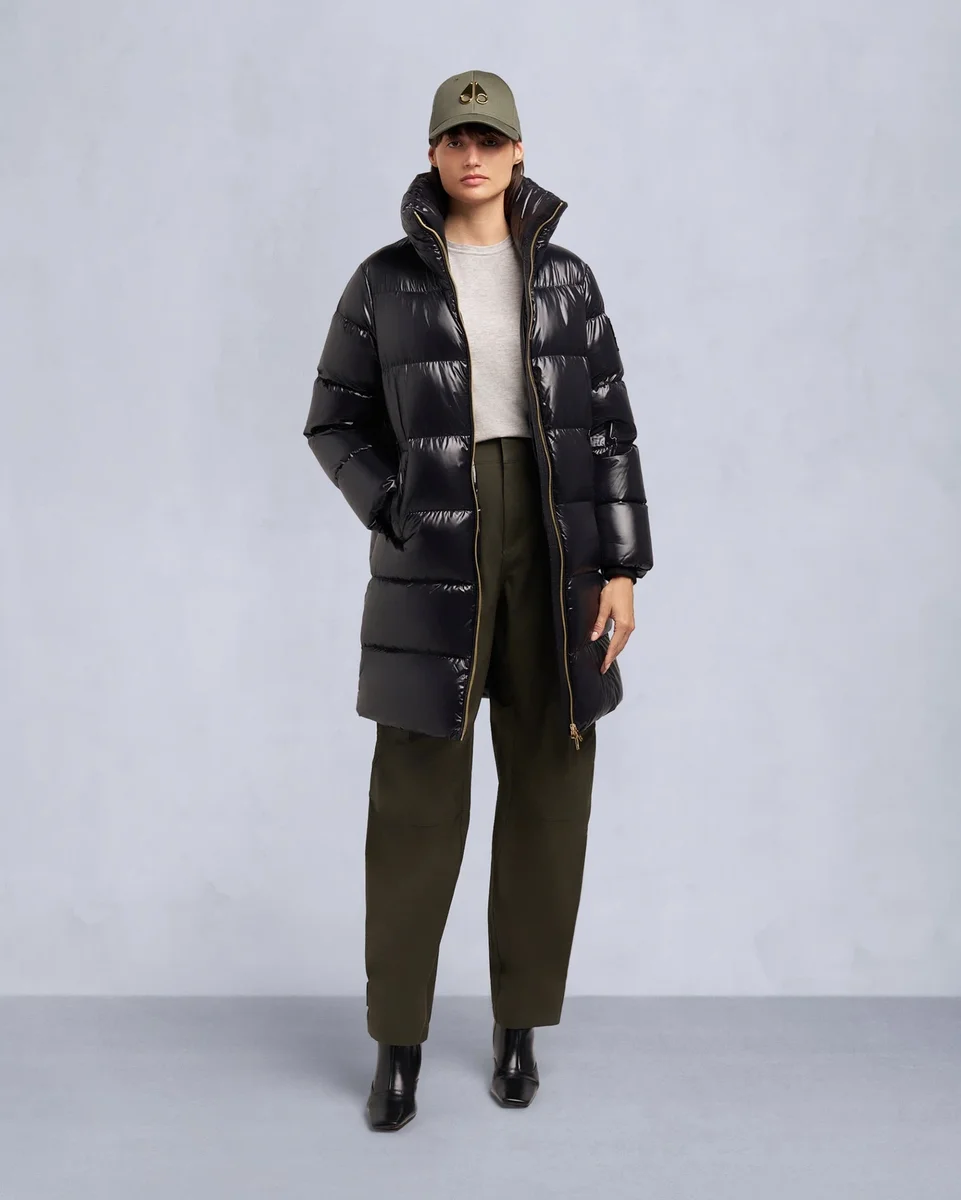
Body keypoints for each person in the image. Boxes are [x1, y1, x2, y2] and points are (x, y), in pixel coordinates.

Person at [303, 69, 653, 1131]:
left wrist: (623, 569)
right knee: (415, 801)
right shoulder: (383, 282)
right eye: (455, 139)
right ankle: (397, 1045)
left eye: (488, 139)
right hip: (436, 548)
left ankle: (518, 1030)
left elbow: (609, 429)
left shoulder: (569, 282)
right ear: (431, 152)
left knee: (551, 784)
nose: (472, 156)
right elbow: (333, 419)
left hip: (557, 546)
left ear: (516, 151)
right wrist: (395, 505)